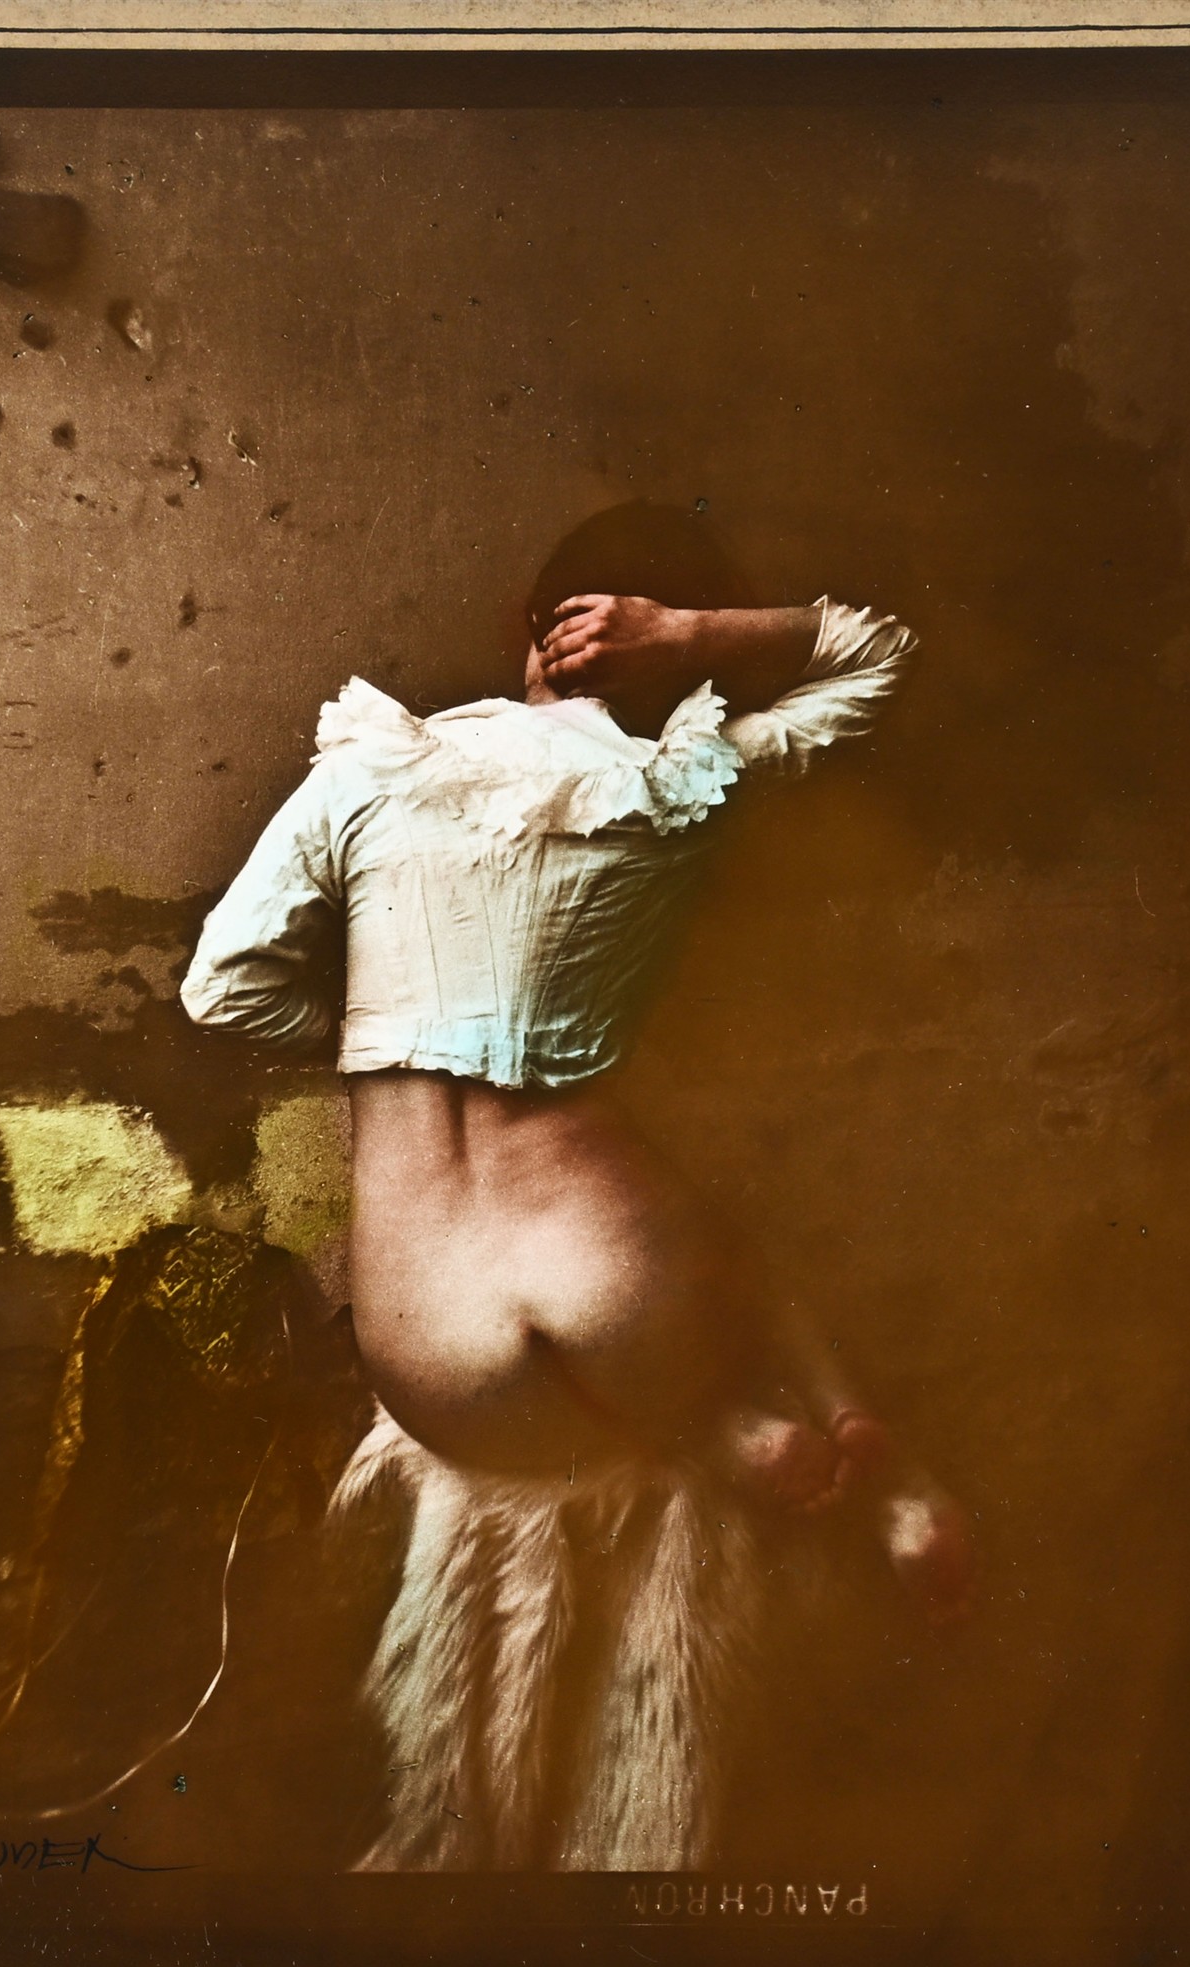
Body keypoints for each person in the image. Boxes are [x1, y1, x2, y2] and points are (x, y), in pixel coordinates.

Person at [180, 503, 971, 1634]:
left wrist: (377, 1036)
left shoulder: (370, 768)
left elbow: (221, 990)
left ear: (530, 622)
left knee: (584, 1343)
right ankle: (806, 1443)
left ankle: (720, 1435)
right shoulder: (681, 780)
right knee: (729, 1239)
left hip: (424, 1341)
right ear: (657, 648)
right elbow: (881, 653)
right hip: (611, 1268)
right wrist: (692, 634)